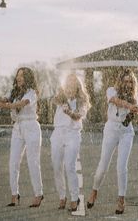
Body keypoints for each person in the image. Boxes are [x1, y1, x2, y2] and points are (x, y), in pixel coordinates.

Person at [87, 69, 138, 214]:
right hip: (111, 129)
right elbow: (114, 101)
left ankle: (121, 200)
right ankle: (94, 191)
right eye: (126, 81)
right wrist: (128, 106)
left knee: (121, 167)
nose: (128, 84)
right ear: (120, 81)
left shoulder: (134, 98)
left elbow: (129, 118)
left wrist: (134, 111)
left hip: (126, 132)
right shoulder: (111, 90)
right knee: (103, 166)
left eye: (131, 82)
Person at [0, 67, 44, 207]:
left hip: (31, 127)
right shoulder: (14, 92)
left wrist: (5, 105)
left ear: (28, 78)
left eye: (22, 75)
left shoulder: (32, 93)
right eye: (18, 75)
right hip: (17, 127)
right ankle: (15, 194)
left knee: (33, 162)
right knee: (13, 162)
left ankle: (38, 194)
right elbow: (6, 100)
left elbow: (22, 103)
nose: (19, 78)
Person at [50, 74, 91, 211]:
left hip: (72, 134)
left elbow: (78, 116)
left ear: (78, 85)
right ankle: (62, 196)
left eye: (73, 83)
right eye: (68, 83)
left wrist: (69, 113)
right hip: (58, 133)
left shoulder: (82, 101)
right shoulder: (61, 98)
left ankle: (74, 198)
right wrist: (62, 100)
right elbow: (53, 100)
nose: (70, 85)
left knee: (70, 166)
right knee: (56, 167)